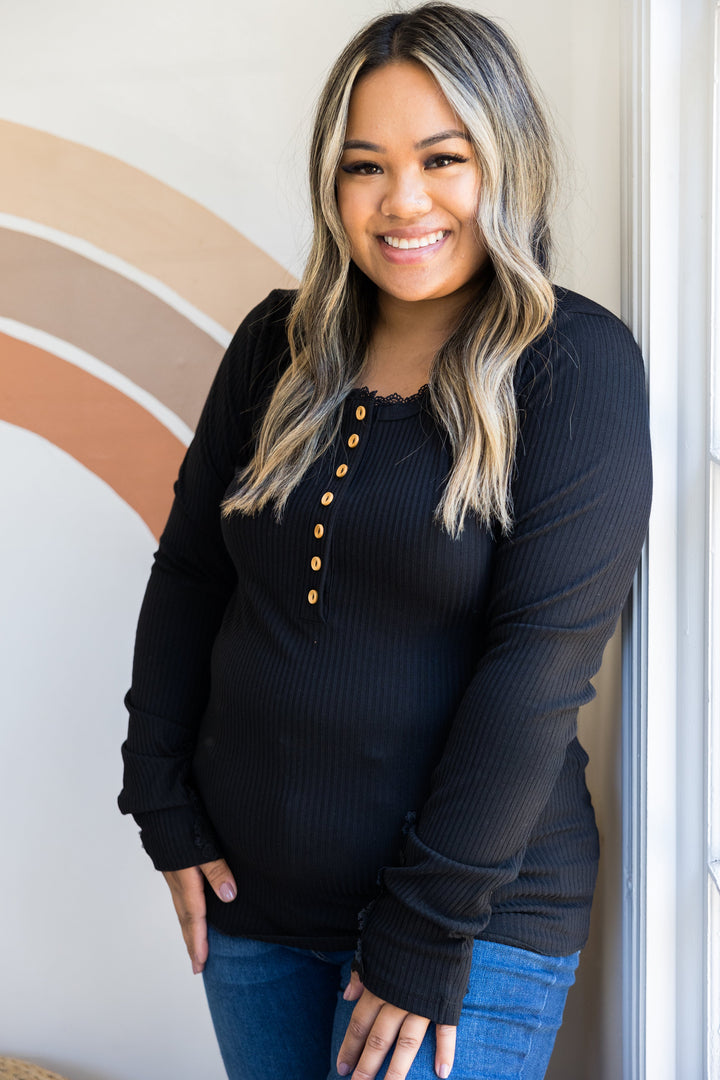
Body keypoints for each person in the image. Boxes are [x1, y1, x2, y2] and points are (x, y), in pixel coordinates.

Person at [118, 5, 652, 1079]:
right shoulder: (277, 342)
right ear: (333, 183)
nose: (404, 202)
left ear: (507, 161)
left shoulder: (573, 365)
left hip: (469, 925)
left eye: (442, 159)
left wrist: (423, 931)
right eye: (367, 166)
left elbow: (539, 671)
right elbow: (190, 575)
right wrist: (158, 794)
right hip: (253, 909)